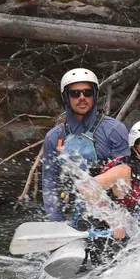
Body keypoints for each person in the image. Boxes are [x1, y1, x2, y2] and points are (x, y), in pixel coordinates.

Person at [42, 68, 129, 223]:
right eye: (75, 93)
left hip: (111, 212)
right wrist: (56, 223)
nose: (82, 97)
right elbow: (50, 185)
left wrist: (118, 219)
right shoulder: (54, 137)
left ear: (94, 95)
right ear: (66, 97)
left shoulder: (115, 130)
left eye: (87, 92)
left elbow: (125, 176)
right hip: (74, 212)